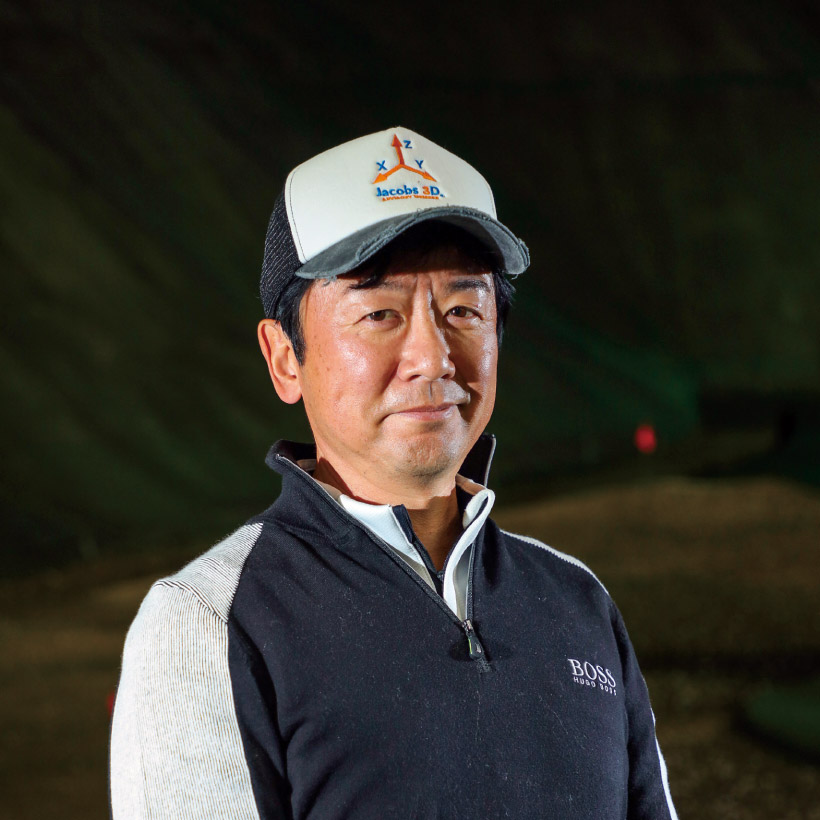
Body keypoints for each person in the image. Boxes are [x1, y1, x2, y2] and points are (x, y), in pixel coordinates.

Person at [109, 127, 678, 819]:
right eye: (379, 312)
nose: (433, 357)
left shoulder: (577, 601)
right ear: (285, 358)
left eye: (464, 310)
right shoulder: (210, 624)